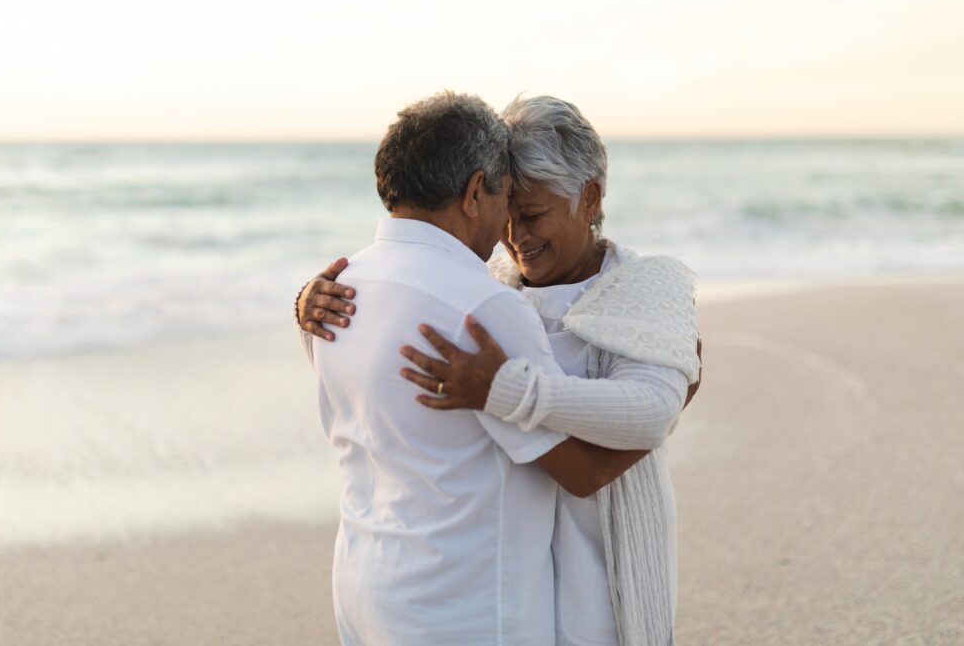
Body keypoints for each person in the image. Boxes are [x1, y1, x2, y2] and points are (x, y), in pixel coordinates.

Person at [298, 95, 701, 645]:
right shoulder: (488, 290)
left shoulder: (646, 286)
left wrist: (507, 390)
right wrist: (309, 308)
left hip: (596, 569)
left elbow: (648, 412)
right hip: (502, 583)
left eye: (533, 216)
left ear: (590, 197)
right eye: (508, 215)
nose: (516, 238)